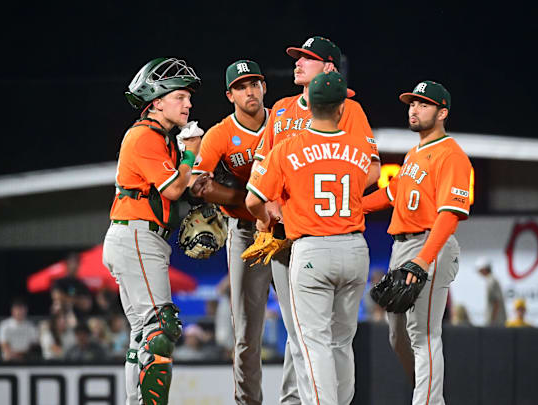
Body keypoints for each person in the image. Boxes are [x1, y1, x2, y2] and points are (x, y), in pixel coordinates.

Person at [251, 35, 381, 405]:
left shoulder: (349, 109)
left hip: (312, 234)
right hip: (285, 234)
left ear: (328, 68)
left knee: (317, 338)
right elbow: (262, 164)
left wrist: (302, 190)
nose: (297, 63)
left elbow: (371, 170)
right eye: (297, 57)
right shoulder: (280, 109)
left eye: (307, 58)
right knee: (303, 334)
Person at [362, 80, 472, 403]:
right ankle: (426, 392)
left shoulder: (451, 156)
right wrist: (354, 206)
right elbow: (391, 194)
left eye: (423, 104)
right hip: (402, 246)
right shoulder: (413, 153)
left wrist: (423, 259)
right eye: (412, 103)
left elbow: (449, 216)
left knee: (424, 335)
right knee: (397, 336)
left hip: (430, 246)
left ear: (442, 113)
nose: (414, 109)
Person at [102, 57, 202, 405]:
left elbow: (180, 186)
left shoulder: (161, 137)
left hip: (137, 238)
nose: (188, 103)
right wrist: (191, 153)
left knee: (144, 333)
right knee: (161, 328)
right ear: (157, 100)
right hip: (137, 238)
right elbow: (173, 189)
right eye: (180, 96)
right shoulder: (145, 135)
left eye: (188, 97)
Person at [187, 59, 273, 405]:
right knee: (246, 333)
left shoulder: (283, 121)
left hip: (285, 229)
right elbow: (195, 183)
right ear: (229, 95)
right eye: (241, 86)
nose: (249, 91)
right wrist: (247, 199)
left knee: (301, 327)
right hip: (245, 230)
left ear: (264, 86)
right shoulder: (221, 133)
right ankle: (247, 402)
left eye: (254, 83)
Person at [475, 257, 506, 327]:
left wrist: (492, 321)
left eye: (479, 270)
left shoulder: (491, 281)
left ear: (484, 269)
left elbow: (496, 302)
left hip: (496, 323)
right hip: (497, 322)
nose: (479, 272)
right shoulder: (492, 280)